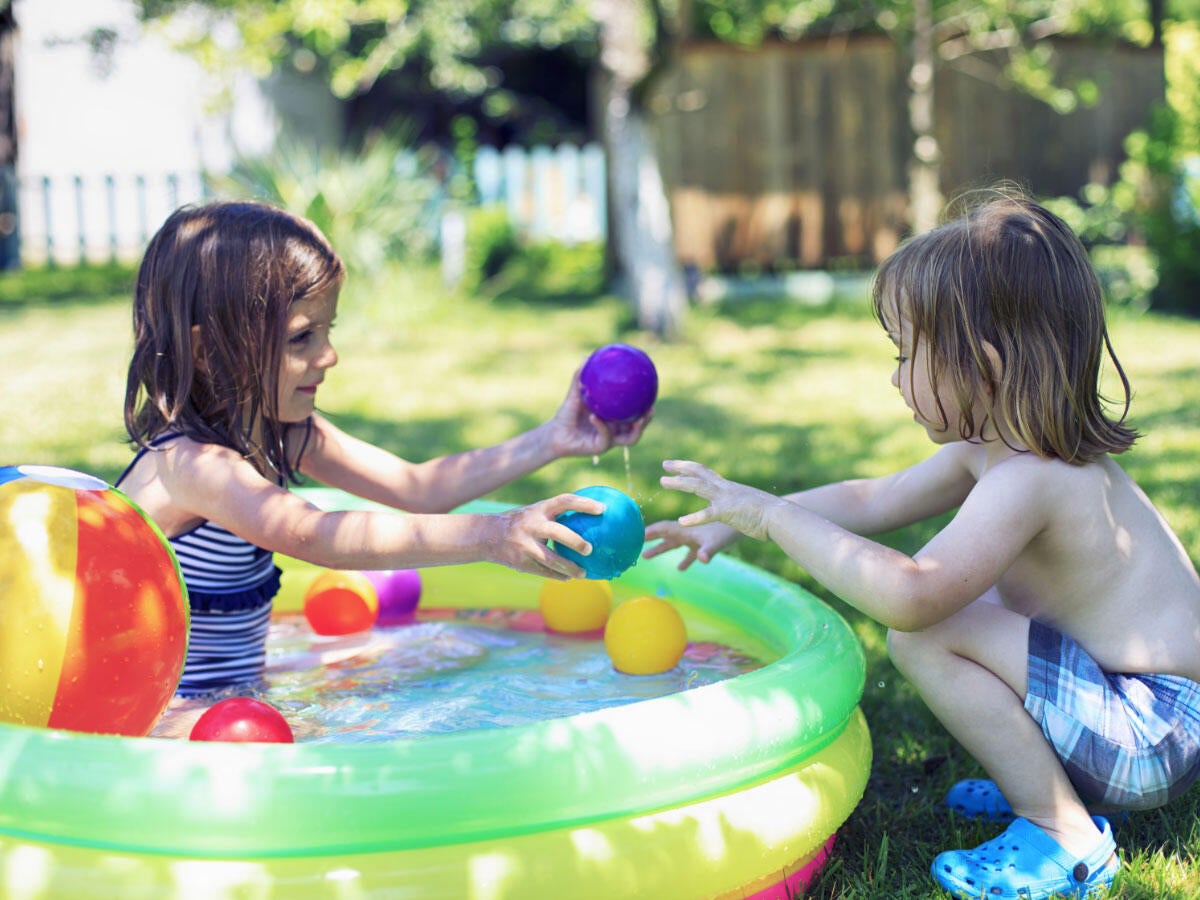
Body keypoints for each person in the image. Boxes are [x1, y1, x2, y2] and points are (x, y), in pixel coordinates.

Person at [645, 192, 1200, 900]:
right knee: (977, 600)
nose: (895, 376)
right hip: (1142, 718)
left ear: (986, 364)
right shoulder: (1005, 449)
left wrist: (775, 521)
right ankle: (1043, 778)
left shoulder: (1032, 477)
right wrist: (742, 514)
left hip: (1149, 734)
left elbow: (912, 594)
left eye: (909, 354)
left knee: (930, 628)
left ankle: (1063, 832)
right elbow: (873, 499)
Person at [116, 200, 651, 702]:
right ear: (211, 350)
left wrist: (552, 439)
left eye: (328, 330)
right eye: (302, 337)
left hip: (231, 705)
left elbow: (419, 490)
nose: (330, 356)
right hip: (153, 715)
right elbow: (319, 536)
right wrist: (496, 534)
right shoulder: (190, 465)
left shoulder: (281, 434)